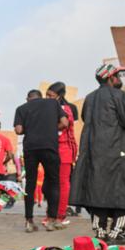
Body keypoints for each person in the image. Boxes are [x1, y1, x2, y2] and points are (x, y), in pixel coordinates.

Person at [70, 64, 125, 244]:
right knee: (124, 192)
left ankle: (100, 233)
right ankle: (116, 234)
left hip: (94, 154)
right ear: (111, 78)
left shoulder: (89, 98)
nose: (120, 80)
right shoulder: (118, 95)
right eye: (118, 76)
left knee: (97, 192)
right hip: (117, 153)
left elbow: (87, 119)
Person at [14, 89, 67, 232]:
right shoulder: (52, 103)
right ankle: (52, 220)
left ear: (28, 99)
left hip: (31, 148)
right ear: (41, 97)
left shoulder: (21, 109)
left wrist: (31, 129)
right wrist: (49, 129)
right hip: (50, 146)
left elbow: (18, 130)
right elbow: (65, 122)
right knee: (54, 182)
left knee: (30, 184)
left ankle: (29, 221)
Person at [46, 82, 79, 225]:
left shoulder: (66, 109)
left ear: (60, 96)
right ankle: (51, 214)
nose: (47, 98)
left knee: (62, 183)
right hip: (51, 149)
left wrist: (48, 129)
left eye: (51, 95)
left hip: (64, 149)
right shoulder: (48, 107)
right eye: (46, 95)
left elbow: (65, 124)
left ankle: (60, 215)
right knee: (50, 183)